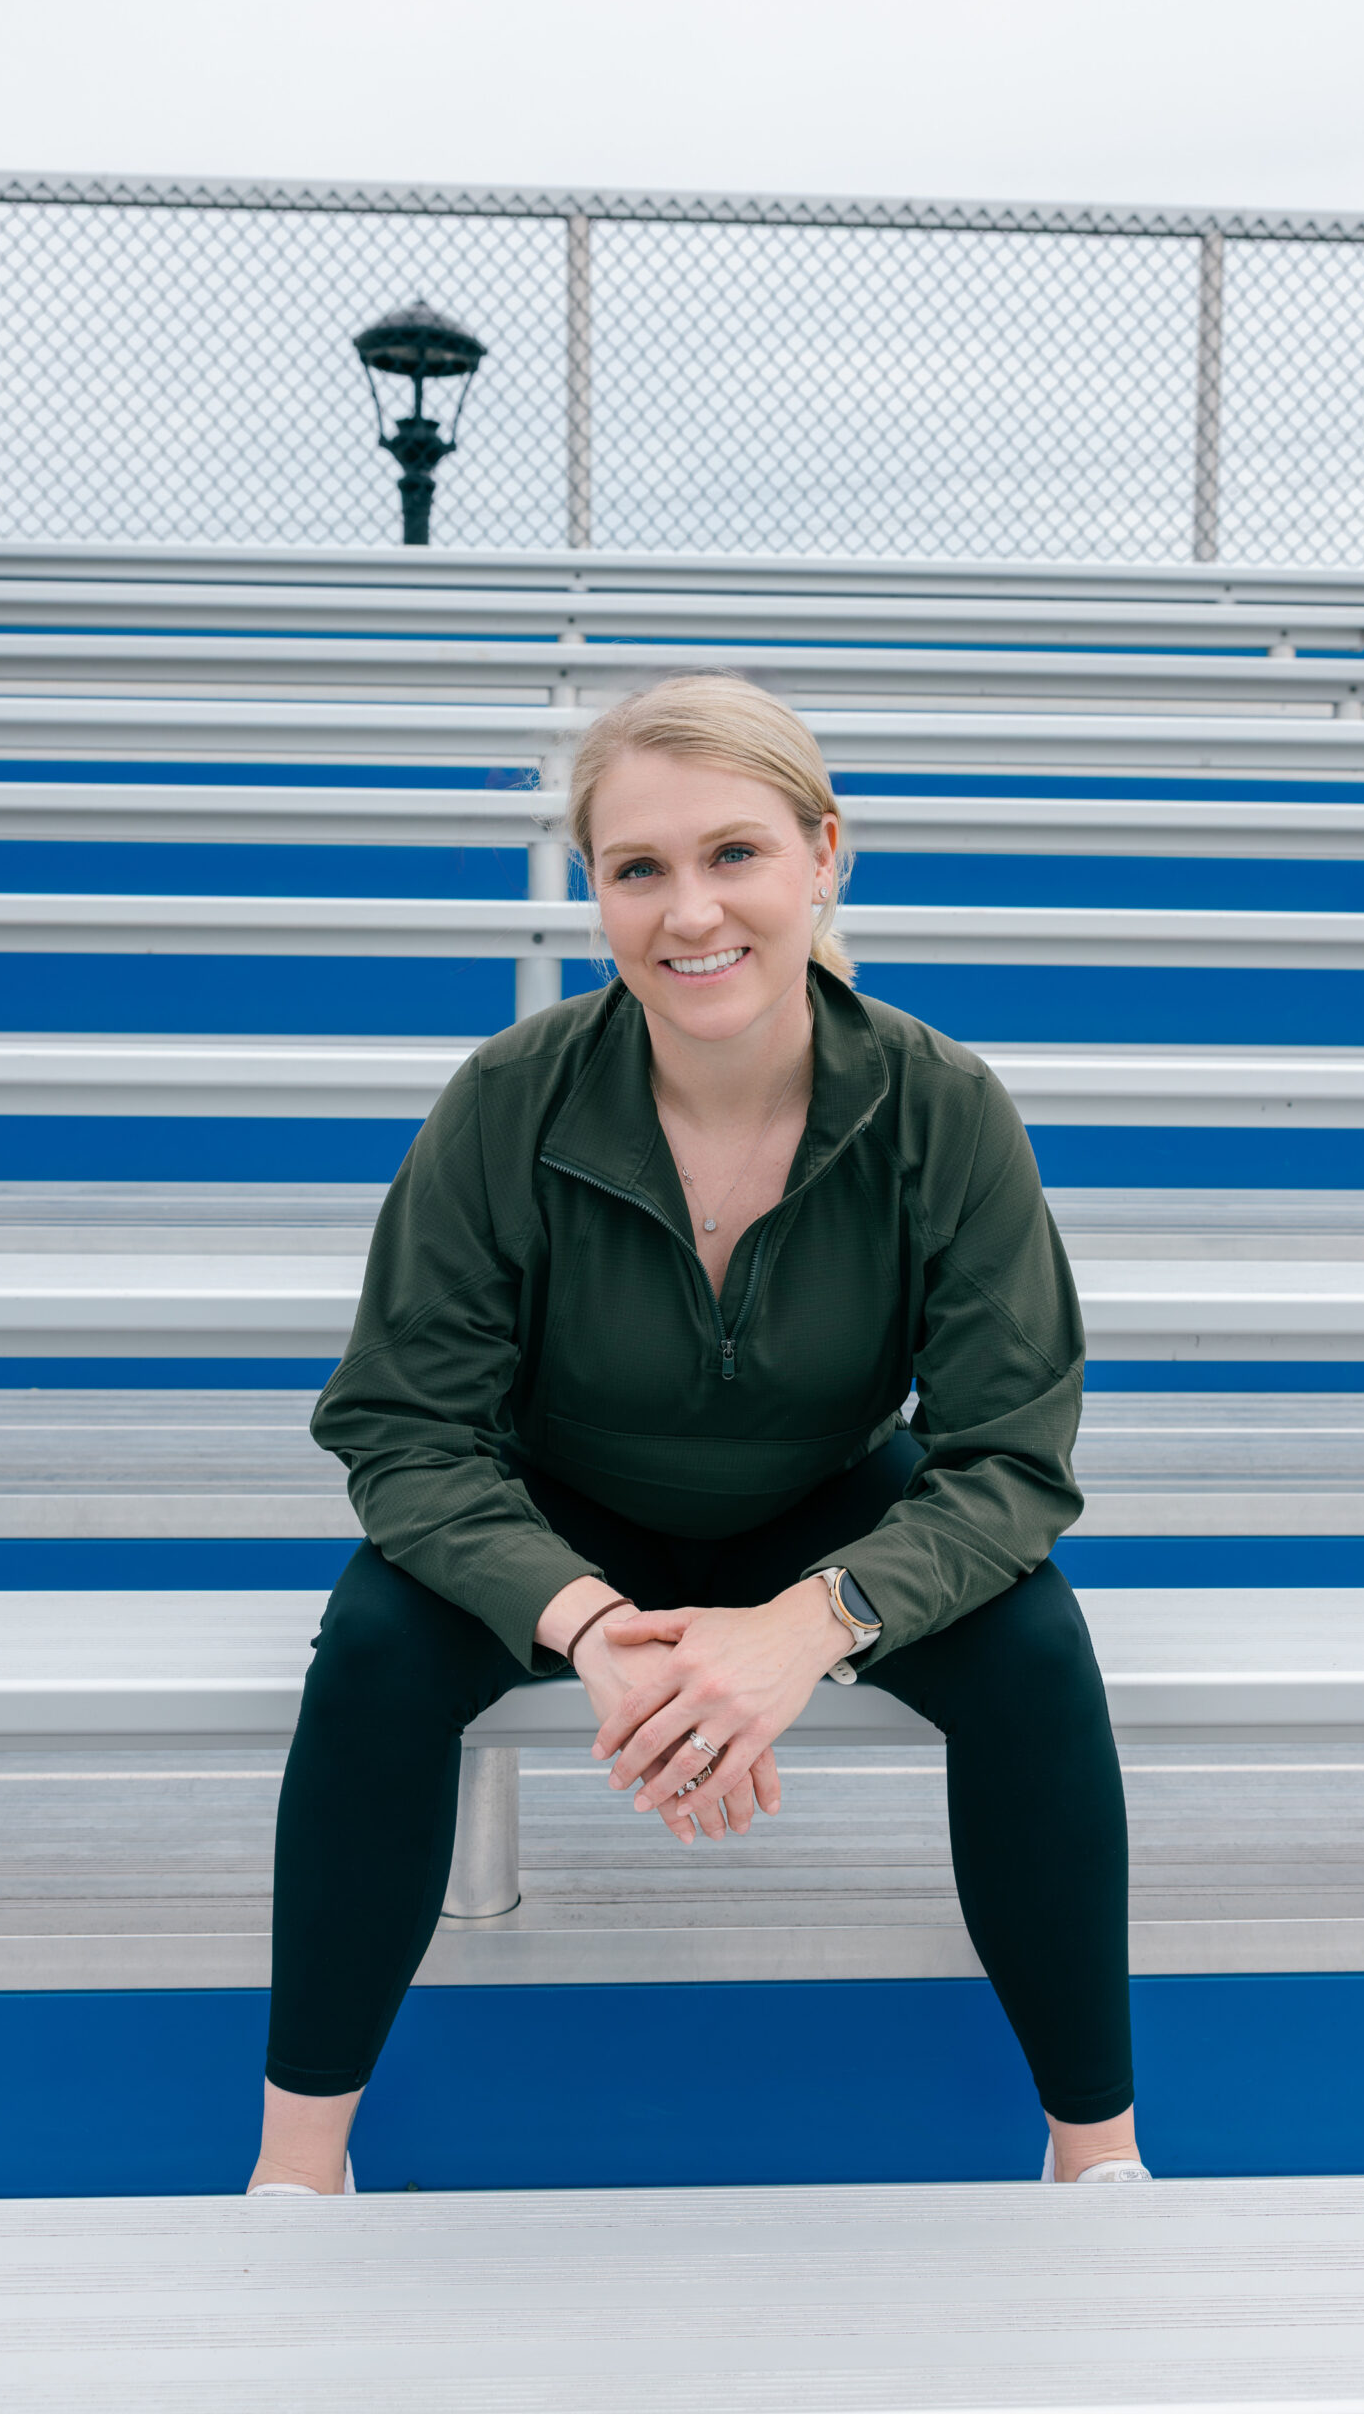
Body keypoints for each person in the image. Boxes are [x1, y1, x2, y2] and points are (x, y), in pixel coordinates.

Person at [247, 672, 1147, 2196]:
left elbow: (1010, 1457)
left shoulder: (942, 1107)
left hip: (822, 1501)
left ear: (823, 854)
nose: (690, 912)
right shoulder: (508, 1101)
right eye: (638, 868)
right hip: (561, 1510)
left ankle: (1097, 2158)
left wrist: (811, 1625)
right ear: (593, 890)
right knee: (378, 1651)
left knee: (1038, 1652)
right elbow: (403, 1425)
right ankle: (297, 2168)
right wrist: (592, 1627)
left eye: (735, 853)